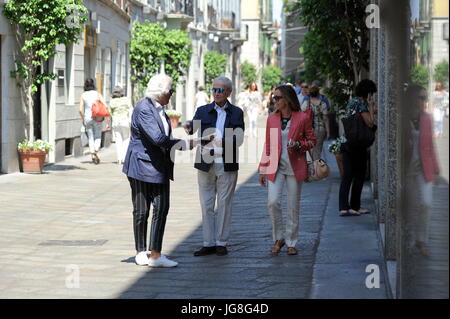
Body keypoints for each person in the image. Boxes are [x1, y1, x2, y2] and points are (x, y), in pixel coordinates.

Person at [122, 74, 199, 268]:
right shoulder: (144, 109)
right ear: (160, 92)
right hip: (141, 165)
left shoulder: (160, 109)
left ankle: (155, 254)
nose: (172, 95)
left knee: (162, 208)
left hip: (160, 165)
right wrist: (186, 143)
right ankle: (141, 251)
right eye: (170, 91)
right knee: (141, 210)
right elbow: (157, 139)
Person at [184, 76, 245, 257]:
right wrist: (188, 126)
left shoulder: (237, 112)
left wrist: (223, 140)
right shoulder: (202, 110)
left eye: (220, 90)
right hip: (205, 162)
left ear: (228, 92)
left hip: (227, 162)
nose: (216, 93)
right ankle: (208, 242)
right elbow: (191, 128)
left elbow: (239, 138)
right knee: (207, 203)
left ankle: (221, 242)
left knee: (225, 203)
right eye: (214, 90)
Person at [258, 85, 316, 255]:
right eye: (273, 97)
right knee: (272, 202)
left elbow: (312, 140)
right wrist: (263, 168)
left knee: (293, 206)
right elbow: (268, 145)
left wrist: (299, 145)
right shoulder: (272, 119)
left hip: (295, 166)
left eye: (277, 98)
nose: (274, 101)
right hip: (276, 168)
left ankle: (291, 241)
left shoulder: (302, 117)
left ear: (287, 99)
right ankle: (279, 237)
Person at [404, 84, 440, 256]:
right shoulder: (402, 118)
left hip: (423, 167)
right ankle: (410, 240)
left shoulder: (427, 119)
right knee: (411, 207)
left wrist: (437, 170)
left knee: (426, 204)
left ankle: (422, 240)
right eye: (421, 97)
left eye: (425, 98)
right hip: (407, 169)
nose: (424, 101)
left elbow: (431, 145)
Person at [339, 79, 377, 216]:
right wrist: (371, 108)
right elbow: (370, 123)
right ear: (368, 93)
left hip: (346, 142)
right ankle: (355, 206)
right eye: (371, 94)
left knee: (347, 176)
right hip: (358, 144)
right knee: (360, 175)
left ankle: (343, 207)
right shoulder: (362, 103)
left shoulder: (352, 101)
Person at [79, 78, 107, 164]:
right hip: (97, 117)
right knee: (98, 135)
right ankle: (96, 149)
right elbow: (105, 105)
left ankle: (92, 154)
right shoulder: (97, 94)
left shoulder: (83, 95)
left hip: (87, 118)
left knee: (90, 136)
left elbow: (80, 109)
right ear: (93, 84)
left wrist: (83, 119)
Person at [301, 85, 330, 160]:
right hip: (320, 130)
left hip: (309, 130)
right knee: (318, 150)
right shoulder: (323, 104)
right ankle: (317, 168)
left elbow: (300, 116)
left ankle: (313, 168)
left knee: (310, 149)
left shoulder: (306, 103)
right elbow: (325, 119)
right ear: (318, 93)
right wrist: (328, 131)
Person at [109, 86, 133, 164]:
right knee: (126, 139)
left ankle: (119, 159)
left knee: (118, 140)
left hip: (115, 122)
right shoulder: (126, 100)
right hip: (125, 121)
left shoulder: (112, 101)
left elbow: (110, 113)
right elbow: (131, 110)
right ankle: (124, 158)